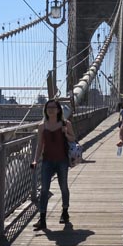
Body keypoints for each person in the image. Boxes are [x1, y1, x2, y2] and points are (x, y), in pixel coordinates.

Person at [30, 99, 76, 231]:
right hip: (47, 161)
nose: (50, 110)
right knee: (44, 190)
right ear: (45, 110)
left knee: (63, 187)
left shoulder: (66, 123)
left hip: (62, 160)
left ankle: (65, 212)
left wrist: (66, 133)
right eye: (48, 107)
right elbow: (40, 145)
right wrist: (35, 160)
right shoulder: (42, 126)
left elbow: (73, 138)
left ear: (58, 109)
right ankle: (42, 219)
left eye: (53, 107)